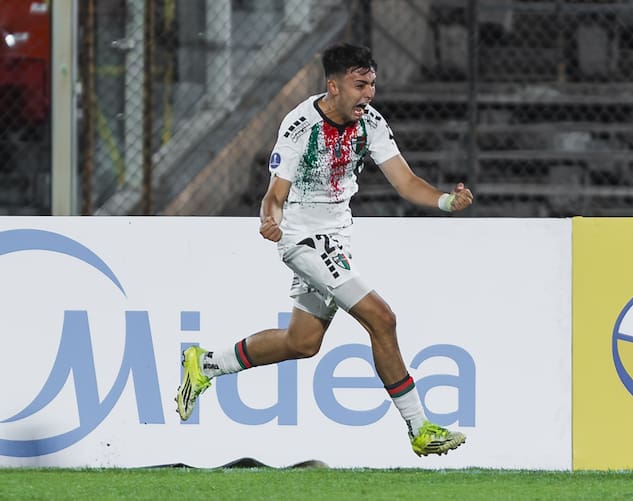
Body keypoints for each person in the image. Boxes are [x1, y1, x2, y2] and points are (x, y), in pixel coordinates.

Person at [175, 43, 473, 457]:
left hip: (336, 238)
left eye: (371, 84)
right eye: (359, 85)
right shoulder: (300, 126)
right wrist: (269, 219)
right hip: (301, 239)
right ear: (333, 87)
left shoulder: (370, 122)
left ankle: (206, 363)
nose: (368, 94)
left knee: (303, 342)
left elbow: (404, 182)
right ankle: (420, 429)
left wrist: (444, 201)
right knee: (381, 319)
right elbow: (274, 194)